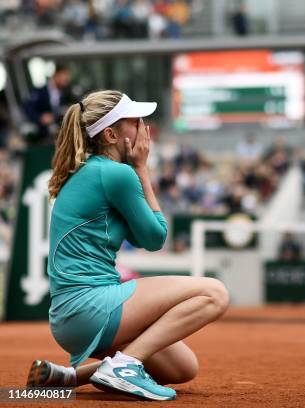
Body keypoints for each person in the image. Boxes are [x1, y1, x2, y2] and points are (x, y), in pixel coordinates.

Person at [26, 90, 229, 400]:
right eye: (135, 121)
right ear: (110, 134)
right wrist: (142, 170)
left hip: (72, 317)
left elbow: (142, 236)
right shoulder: (117, 174)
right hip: (91, 307)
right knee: (214, 293)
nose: (144, 128)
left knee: (183, 368)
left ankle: (70, 377)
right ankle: (124, 366)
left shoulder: (91, 171)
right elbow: (155, 238)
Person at [23, 64, 72, 144]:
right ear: (56, 75)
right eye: (64, 74)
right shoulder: (40, 90)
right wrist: (40, 117)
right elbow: (28, 108)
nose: (67, 78)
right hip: (41, 134)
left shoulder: (66, 92)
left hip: (59, 132)